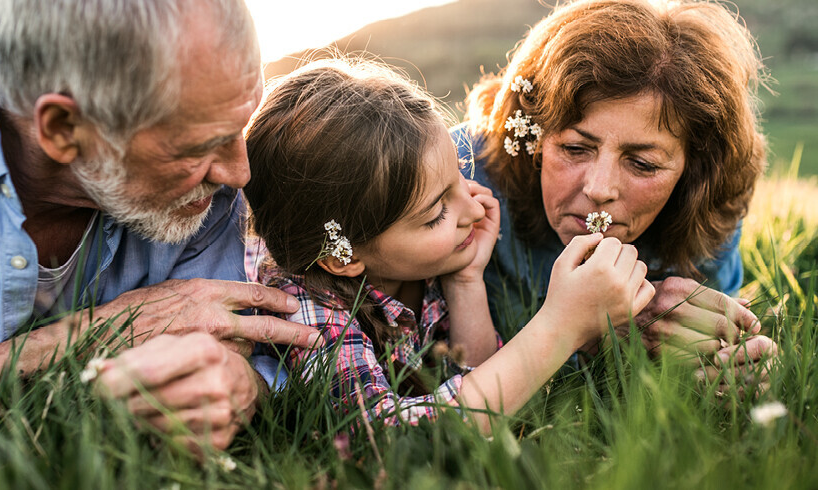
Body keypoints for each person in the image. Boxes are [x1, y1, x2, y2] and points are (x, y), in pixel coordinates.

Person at [0, 0, 321, 452]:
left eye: (240, 127)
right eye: (198, 147)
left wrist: (242, 385)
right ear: (64, 128)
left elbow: (241, 354)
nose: (239, 173)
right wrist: (98, 336)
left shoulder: (207, 194)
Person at [242, 58, 654, 431]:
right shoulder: (309, 311)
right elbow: (387, 441)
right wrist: (561, 325)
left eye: (460, 176)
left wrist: (466, 281)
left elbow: (491, 387)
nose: (474, 211)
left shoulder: (423, 262)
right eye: (436, 212)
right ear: (341, 256)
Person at [455, 0, 777, 384]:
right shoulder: (461, 180)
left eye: (642, 164)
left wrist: (715, 364)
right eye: (575, 149)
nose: (599, 189)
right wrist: (606, 334)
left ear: (694, 171)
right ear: (535, 133)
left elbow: (708, 362)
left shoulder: (710, 207)